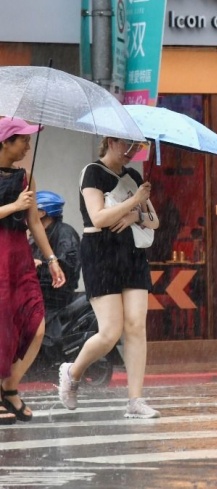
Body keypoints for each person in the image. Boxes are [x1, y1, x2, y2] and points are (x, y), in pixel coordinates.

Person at [58, 136, 161, 419]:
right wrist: (135, 203)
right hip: (101, 252)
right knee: (110, 332)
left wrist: (134, 216)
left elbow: (153, 220)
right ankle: (72, 371)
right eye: (126, 146)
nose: (131, 152)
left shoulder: (134, 176)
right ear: (110, 141)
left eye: (136, 147)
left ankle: (135, 400)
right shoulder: (92, 172)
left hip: (133, 254)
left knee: (136, 325)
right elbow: (98, 217)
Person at [0, 118, 66, 424]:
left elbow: (35, 223)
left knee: (36, 322)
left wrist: (52, 259)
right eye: (23, 140)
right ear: (5, 142)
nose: (28, 145)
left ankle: (10, 386)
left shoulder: (26, 177)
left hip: (19, 255)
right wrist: (13, 206)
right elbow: (17, 212)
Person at [30, 191, 81, 314]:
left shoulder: (65, 233)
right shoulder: (34, 235)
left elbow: (67, 268)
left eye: (32, 210)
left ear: (42, 213)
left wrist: (40, 265)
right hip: (34, 294)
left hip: (54, 300)